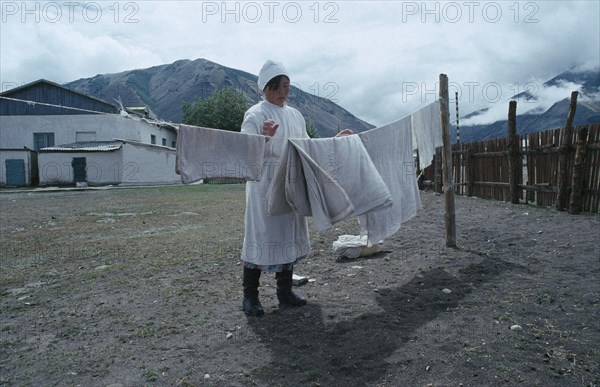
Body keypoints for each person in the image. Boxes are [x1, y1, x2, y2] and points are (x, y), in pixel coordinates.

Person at [240, 60, 352, 316]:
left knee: (289, 235)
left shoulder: (294, 115)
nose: (284, 92)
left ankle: (285, 291)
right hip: (264, 183)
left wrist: (335, 142)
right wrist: (263, 138)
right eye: (279, 86)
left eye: (287, 86)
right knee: (261, 236)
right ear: (266, 87)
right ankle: (250, 296)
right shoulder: (255, 114)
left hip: (291, 179)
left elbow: (308, 146)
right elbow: (244, 150)